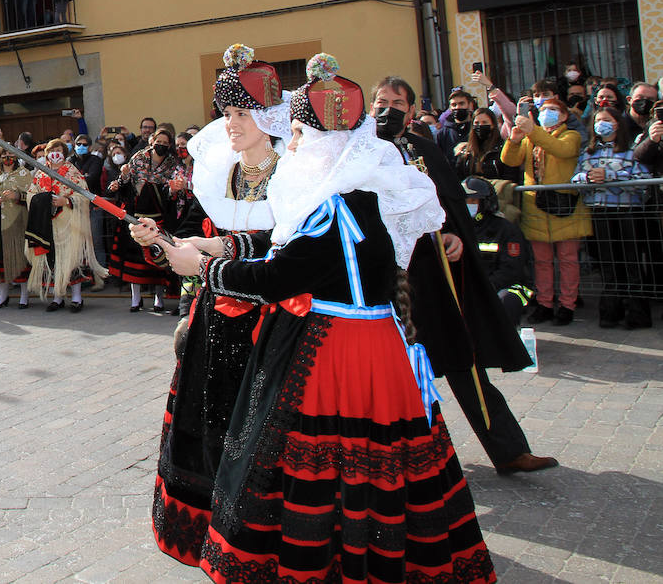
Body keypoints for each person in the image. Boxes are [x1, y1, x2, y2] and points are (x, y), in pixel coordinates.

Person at [148, 54, 495, 583]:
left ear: (325, 143)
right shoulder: (357, 194)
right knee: (376, 464)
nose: (294, 146)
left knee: (328, 459)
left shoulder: (336, 204)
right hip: (371, 342)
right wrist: (217, 244)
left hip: (337, 349)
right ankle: (369, 555)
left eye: (299, 136)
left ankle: (342, 563)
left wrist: (204, 267)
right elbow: (282, 246)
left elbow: (278, 276)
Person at [139, 43, 291, 567]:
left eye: (243, 113)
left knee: (259, 436)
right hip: (215, 316)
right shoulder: (217, 175)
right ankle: (210, 535)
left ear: (269, 117)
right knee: (209, 426)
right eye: (227, 113)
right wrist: (158, 243)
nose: (232, 124)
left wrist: (201, 261)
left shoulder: (294, 177)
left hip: (275, 322)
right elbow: (197, 243)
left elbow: (281, 255)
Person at [373, 77, 556, 476]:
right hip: (383, 278)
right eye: (381, 101)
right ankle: (412, 460)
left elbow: (448, 202)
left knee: (463, 358)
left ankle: (508, 450)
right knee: (399, 370)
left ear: (410, 108)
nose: (388, 109)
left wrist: (455, 234)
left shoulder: (424, 148)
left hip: (435, 271)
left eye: (397, 102)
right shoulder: (360, 152)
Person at [501, 94, 591, 325]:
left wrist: (533, 131)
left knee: (568, 259)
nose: (546, 113)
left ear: (563, 116)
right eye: (543, 109)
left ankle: (568, 305)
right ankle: (545, 303)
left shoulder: (571, 136)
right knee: (541, 261)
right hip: (537, 207)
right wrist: (514, 139)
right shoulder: (532, 137)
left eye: (552, 110)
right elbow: (510, 160)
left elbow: (559, 149)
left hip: (565, 207)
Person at [573, 105, 654, 329]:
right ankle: (610, 312)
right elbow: (575, 180)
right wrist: (588, 177)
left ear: (617, 123)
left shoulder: (631, 150)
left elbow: (642, 180)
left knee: (631, 263)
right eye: (598, 120)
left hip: (626, 212)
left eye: (606, 119)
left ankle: (637, 313)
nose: (601, 124)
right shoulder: (588, 153)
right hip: (600, 213)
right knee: (608, 264)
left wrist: (611, 176)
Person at [107, 127, 187, 312]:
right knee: (133, 259)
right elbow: (124, 181)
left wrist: (173, 189)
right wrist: (122, 178)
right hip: (136, 215)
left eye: (165, 144)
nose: (161, 146)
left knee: (156, 260)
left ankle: (158, 297)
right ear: (152, 142)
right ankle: (136, 298)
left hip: (159, 218)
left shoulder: (172, 163)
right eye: (158, 142)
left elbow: (174, 191)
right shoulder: (139, 158)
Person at [23, 139, 106, 313]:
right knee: (52, 260)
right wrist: (41, 201)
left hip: (68, 222)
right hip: (48, 223)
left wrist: (66, 200)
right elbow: (31, 193)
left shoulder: (71, 171)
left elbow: (83, 194)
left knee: (72, 260)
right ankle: (58, 297)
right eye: (51, 150)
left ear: (64, 152)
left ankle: (76, 298)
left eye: (58, 150)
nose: (55, 153)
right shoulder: (41, 173)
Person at [464, 177, 534, 327]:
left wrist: (484, 288)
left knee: (508, 300)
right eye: (466, 201)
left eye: (473, 201)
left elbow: (511, 270)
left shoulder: (506, 230)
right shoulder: (455, 230)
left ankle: (508, 342)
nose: (468, 205)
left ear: (485, 203)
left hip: (504, 287)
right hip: (470, 287)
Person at [0, 148, 33, 308]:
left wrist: (17, 196)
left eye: (11, 155)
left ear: (16, 156)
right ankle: (3, 295)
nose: (7, 158)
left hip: (17, 223)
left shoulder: (24, 174)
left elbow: (33, 195)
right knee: (0, 258)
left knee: (19, 257)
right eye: (4, 155)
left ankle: (24, 295)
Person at [453, 107, 521, 183]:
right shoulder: (465, 151)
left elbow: (511, 176)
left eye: (484, 122)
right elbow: (458, 175)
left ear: (493, 125)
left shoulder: (503, 148)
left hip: (498, 191)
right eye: (476, 123)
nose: (480, 125)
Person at [435, 88, 476, 164]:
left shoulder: (477, 128)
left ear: (470, 105)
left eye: (461, 104)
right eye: (454, 105)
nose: (457, 107)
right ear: (450, 108)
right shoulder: (443, 133)